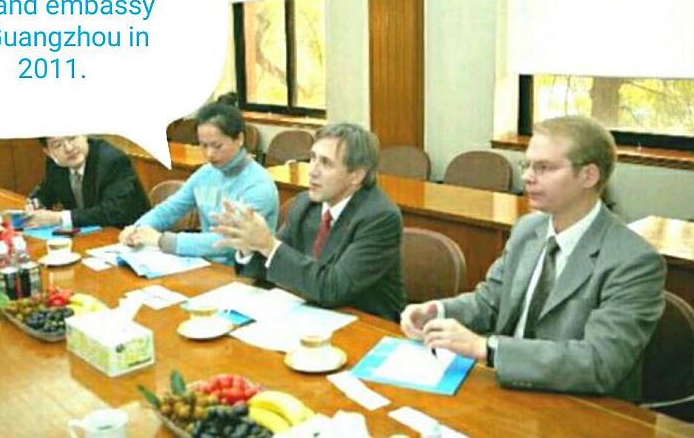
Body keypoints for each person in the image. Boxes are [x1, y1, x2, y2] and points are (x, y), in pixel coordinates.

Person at [401, 116, 665, 401]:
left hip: (579, 406)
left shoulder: (633, 260)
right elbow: (490, 301)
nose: (527, 177)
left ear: (589, 176)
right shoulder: (528, 229)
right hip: (506, 390)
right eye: (526, 165)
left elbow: (599, 362)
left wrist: (487, 349)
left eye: (544, 167)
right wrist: (438, 311)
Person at [213, 123, 406, 322]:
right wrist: (249, 246)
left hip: (366, 324)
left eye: (326, 163)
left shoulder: (380, 217)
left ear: (356, 175)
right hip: (311, 313)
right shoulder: (305, 204)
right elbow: (273, 266)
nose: (312, 171)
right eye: (312, 158)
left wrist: (268, 245)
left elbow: (333, 288)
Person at [119, 103, 278, 264]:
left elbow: (229, 241)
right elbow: (170, 208)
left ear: (239, 139)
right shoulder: (205, 173)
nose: (209, 154)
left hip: (244, 271)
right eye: (203, 145)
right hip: (205, 265)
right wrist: (138, 229)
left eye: (217, 146)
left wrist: (163, 241)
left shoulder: (259, 185)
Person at [26, 136, 150, 228]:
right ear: (48, 152)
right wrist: (35, 202)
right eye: (58, 145)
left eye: (72, 138)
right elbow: (46, 189)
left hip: (126, 235)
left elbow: (111, 211)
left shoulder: (112, 160)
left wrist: (59, 218)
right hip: (88, 236)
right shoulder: (56, 164)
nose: (69, 148)